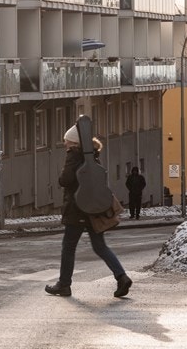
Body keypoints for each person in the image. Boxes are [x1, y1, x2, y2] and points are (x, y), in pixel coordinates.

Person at [45, 128, 132, 299]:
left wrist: (64, 173)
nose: (65, 144)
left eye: (67, 141)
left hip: (77, 208)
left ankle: (64, 285)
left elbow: (65, 180)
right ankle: (122, 277)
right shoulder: (93, 155)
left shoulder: (74, 155)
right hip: (93, 209)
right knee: (100, 246)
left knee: (68, 247)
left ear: (75, 143)